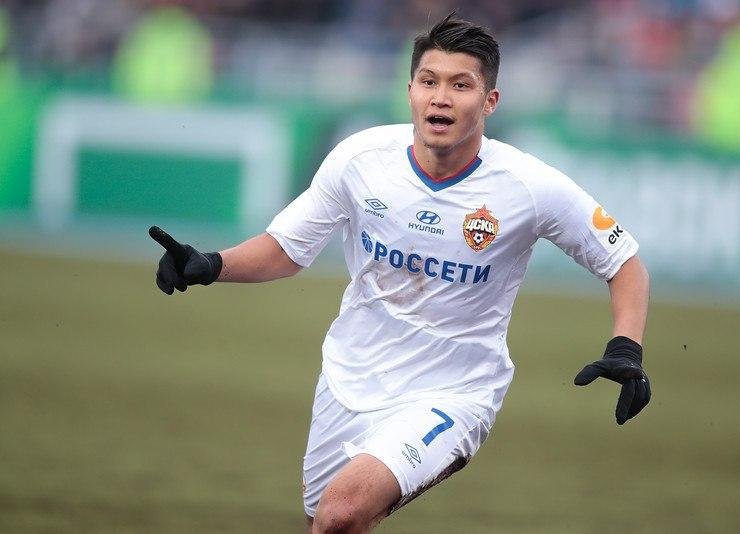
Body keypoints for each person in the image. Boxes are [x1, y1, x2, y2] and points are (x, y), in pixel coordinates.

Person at [149, 12, 651, 534]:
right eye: (429, 82)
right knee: (327, 526)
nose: (441, 98)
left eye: (461, 85)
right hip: (348, 380)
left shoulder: (529, 186)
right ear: (410, 90)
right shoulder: (360, 159)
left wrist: (626, 349)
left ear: (490, 101)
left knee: (340, 512)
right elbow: (286, 249)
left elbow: (624, 263)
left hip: (453, 393)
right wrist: (210, 265)